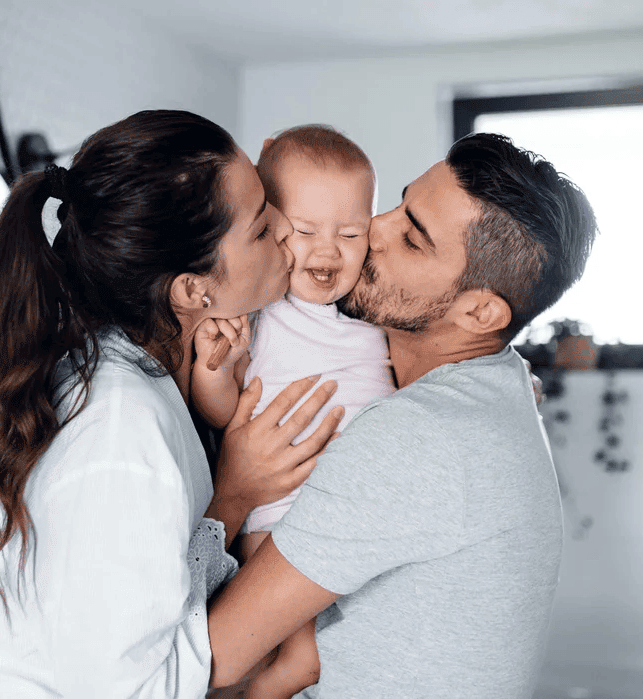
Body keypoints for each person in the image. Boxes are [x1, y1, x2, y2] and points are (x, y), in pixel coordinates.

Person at [0, 110, 345, 698]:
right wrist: (234, 494)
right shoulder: (118, 433)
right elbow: (129, 690)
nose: (290, 231)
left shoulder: (148, 369)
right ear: (192, 289)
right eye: (262, 228)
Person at [208, 132, 598, 698]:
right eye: (396, 205)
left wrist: (233, 494)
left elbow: (210, 660)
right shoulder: (500, 383)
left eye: (412, 239)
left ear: (480, 310)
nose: (372, 231)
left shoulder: (416, 437)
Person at [190, 124, 394, 699]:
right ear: (274, 226)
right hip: (277, 510)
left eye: (351, 234)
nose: (328, 251)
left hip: (355, 510)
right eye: (305, 231)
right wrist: (212, 369)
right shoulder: (261, 309)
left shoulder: (371, 307)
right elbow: (224, 410)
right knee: (294, 657)